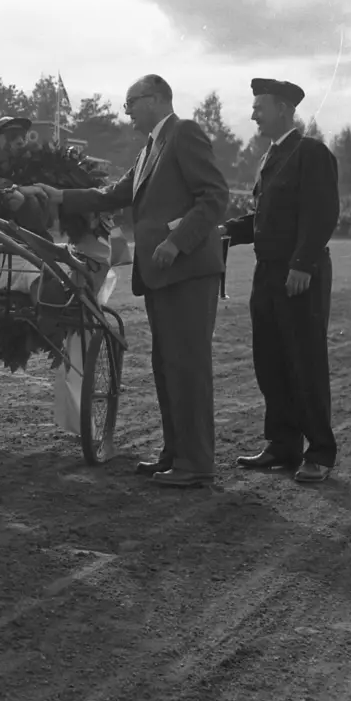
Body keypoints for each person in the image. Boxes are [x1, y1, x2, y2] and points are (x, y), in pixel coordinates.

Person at [31, 75, 229, 487]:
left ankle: (197, 464)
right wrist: (60, 197)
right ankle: (175, 454)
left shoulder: (184, 133)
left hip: (187, 273)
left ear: (156, 99)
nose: (127, 112)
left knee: (187, 366)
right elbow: (112, 195)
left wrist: (177, 242)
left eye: (131, 103)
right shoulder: (151, 149)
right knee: (168, 366)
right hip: (162, 275)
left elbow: (214, 196)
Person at [223, 79, 340, 484]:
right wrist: (224, 231)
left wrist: (302, 264)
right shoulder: (273, 157)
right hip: (268, 273)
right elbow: (265, 220)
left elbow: (321, 212)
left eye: (260, 107)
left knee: (304, 363)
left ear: (285, 110)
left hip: (297, 275)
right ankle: (282, 445)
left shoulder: (311, 153)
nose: (253, 114)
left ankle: (320, 453)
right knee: (270, 361)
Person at [0, 116, 52, 234]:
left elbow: (47, 222)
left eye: (22, 135)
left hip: (15, 243)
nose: (20, 141)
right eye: (12, 136)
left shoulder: (24, 169)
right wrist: (14, 188)